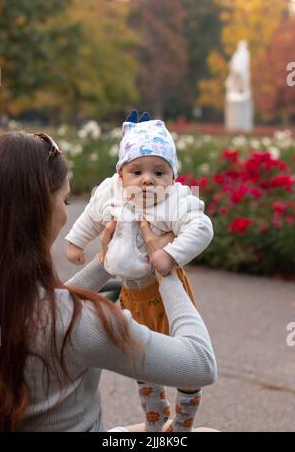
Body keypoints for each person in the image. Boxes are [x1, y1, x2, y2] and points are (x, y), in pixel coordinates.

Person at [0, 131, 216, 432]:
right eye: (66, 200)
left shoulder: (16, 300)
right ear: (41, 210)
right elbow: (200, 365)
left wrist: (105, 262)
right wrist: (165, 269)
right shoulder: (77, 322)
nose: (65, 213)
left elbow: (46, 307)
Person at [65, 111, 214, 432]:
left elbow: (202, 228)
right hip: (131, 294)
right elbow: (91, 216)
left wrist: (170, 256)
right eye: (137, 171)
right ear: (121, 175)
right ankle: (155, 419)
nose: (148, 179)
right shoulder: (111, 193)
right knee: (143, 361)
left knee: (185, 364)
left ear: (172, 179)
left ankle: (184, 422)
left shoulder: (175, 202)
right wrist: (76, 242)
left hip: (165, 294)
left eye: (159, 172)